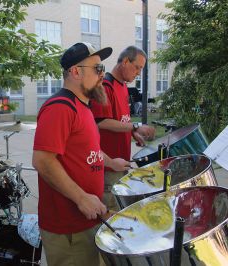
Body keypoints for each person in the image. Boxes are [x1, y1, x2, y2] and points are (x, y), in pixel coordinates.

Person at [32, 42, 131, 266]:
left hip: (88, 220)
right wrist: (81, 197)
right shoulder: (60, 107)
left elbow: (89, 150)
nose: (102, 75)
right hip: (68, 229)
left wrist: (110, 162)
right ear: (76, 72)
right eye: (97, 69)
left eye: (102, 68)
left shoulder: (83, 107)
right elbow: (42, 160)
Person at [90, 46, 156, 211]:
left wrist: (133, 132)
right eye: (137, 67)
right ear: (125, 61)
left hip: (122, 160)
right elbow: (101, 121)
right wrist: (136, 125)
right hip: (108, 164)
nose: (138, 73)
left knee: (120, 208)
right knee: (110, 212)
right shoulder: (106, 85)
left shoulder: (123, 86)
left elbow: (119, 119)